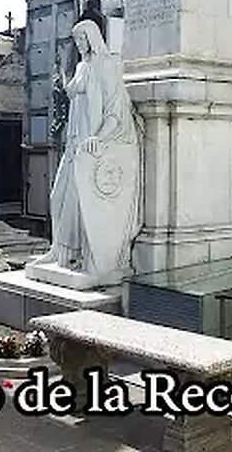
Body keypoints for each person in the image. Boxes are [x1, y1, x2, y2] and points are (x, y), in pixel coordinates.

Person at [33, 20, 141, 279]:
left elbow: (115, 110)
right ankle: (60, 249)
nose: (79, 44)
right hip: (74, 142)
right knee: (58, 197)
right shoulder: (83, 66)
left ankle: (82, 254)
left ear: (92, 38)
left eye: (82, 39)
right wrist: (62, 71)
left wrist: (99, 137)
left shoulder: (106, 66)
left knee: (82, 203)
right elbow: (72, 91)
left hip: (90, 144)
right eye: (77, 40)